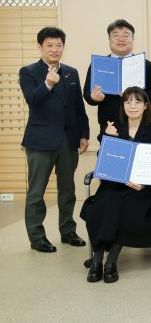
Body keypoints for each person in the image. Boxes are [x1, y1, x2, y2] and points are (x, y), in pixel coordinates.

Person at [80, 87, 151, 283]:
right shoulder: (114, 128)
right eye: (128, 102)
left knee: (123, 205)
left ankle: (110, 262)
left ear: (146, 106)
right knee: (101, 205)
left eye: (137, 102)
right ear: (122, 106)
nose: (133, 106)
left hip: (143, 188)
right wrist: (108, 139)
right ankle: (97, 261)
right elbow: (104, 163)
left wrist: (143, 183)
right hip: (115, 184)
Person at [19, 27, 89, 252]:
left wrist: (84, 134)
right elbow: (32, 100)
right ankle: (37, 237)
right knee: (36, 192)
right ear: (40, 47)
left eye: (59, 45)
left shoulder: (71, 72)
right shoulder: (28, 72)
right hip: (40, 141)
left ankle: (68, 231)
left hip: (68, 140)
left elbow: (78, 107)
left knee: (67, 190)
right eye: (49, 45)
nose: (54, 49)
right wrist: (48, 84)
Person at [83, 19, 151, 137]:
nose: (121, 39)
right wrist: (94, 98)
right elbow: (87, 94)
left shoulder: (145, 64)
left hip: (140, 126)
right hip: (109, 126)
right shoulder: (99, 64)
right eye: (115, 35)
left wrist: (137, 97)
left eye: (126, 35)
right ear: (109, 39)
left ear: (133, 39)